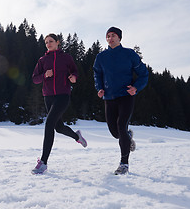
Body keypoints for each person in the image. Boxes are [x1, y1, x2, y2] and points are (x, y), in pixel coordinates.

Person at [93, 27, 148, 175]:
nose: (110, 38)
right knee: (114, 131)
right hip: (109, 97)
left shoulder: (129, 54)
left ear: (119, 38)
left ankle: (124, 164)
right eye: (108, 36)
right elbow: (97, 74)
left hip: (126, 96)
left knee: (121, 125)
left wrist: (136, 87)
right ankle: (128, 137)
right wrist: (99, 88)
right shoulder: (101, 57)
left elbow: (144, 73)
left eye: (113, 36)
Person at [31, 33, 87, 174]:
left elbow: (75, 71)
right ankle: (77, 136)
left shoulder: (66, 58)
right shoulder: (43, 60)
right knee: (59, 127)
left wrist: (73, 77)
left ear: (57, 42)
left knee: (49, 123)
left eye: (51, 41)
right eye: (46, 42)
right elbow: (35, 79)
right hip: (48, 96)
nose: (48, 44)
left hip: (63, 95)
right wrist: (45, 75)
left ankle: (43, 162)